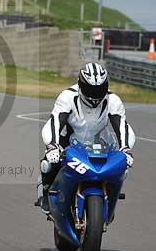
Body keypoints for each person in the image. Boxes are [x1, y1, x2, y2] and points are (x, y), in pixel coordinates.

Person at [34, 62, 134, 220]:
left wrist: (126, 148)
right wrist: (52, 145)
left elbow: (122, 126)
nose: (95, 94)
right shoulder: (68, 97)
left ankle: (110, 197)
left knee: (123, 167)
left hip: (100, 143)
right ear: (81, 85)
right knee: (48, 163)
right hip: (68, 142)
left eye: (99, 89)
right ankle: (46, 192)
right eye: (90, 89)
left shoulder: (113, 100)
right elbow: (54, 123)